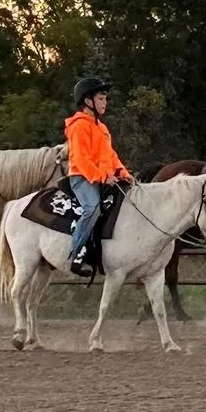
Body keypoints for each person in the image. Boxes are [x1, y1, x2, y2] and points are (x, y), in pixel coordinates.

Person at [64, 74, 130, 275]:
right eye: (101, 98)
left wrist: (122, 171)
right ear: (87, 101)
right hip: (82, 178)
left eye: (105, 98)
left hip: (102, 177)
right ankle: (75, 253)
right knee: (92, 209)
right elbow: (82, 159)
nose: (105, 102)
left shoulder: (101, 128)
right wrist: (102, 177)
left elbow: (110, 155)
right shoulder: (79, 126)